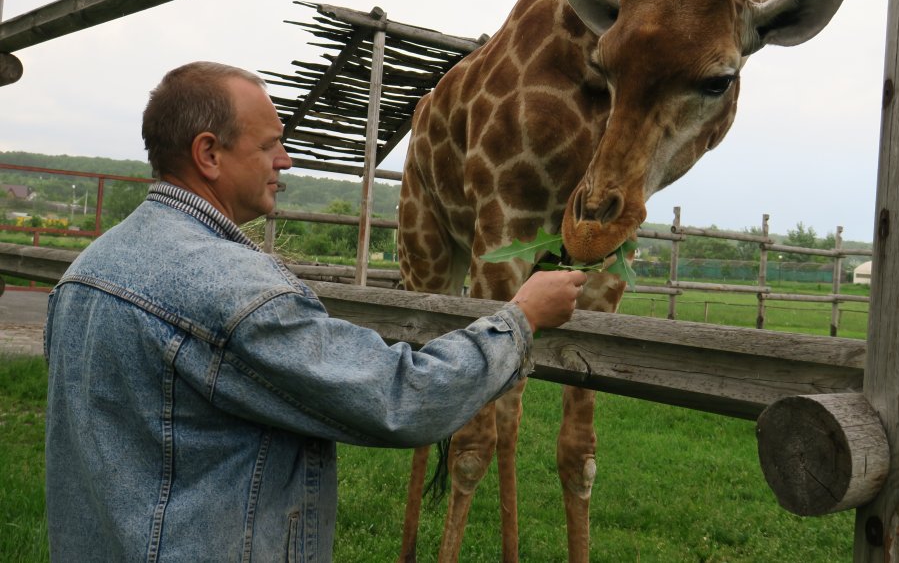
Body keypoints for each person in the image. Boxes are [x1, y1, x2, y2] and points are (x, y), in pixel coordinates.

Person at [44, 61, 586, 562]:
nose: (286, 160)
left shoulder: (87, 270)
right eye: (270, 145)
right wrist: (520, 319)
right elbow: (400, 400)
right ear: (209, 154)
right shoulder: (234, 291)